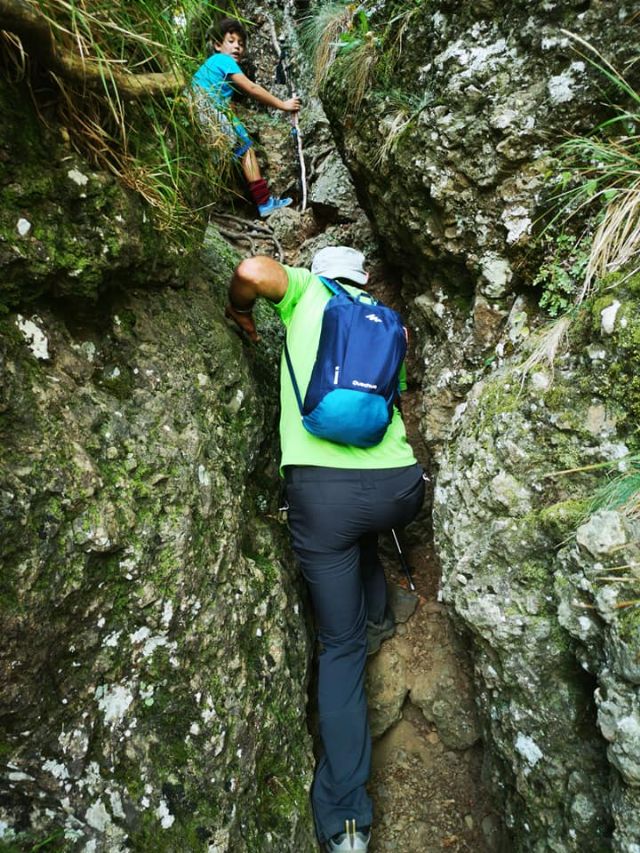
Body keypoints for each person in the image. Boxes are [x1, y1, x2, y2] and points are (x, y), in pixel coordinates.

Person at [226, 247, 426, 852]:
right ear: (363, 279)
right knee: (357, 533)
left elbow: (251, 271)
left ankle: (346, 820)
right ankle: (380, 612)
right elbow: (390, 402)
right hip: (400, 486)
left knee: (338, 648)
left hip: (323, 494)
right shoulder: (391, 323)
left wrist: (242, 314)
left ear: (322, 270)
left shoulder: (310, 291)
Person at [192, 17, 300, 217]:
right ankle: (264, 202)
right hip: (208, 109)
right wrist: (283, 105)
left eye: (241, 44)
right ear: (217, 45)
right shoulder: (223, 60)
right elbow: (251, 88)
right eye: (231, 41)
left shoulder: (209, 66)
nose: (237, 47)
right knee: (246, 148)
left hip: (198, 109)